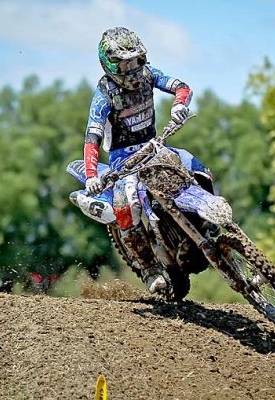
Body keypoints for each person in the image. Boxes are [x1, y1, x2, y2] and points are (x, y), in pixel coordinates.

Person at [82, 27, 193, 294]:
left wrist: (179, 104)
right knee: (126, 205)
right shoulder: (104, 95)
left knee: (192, 166)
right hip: (123, 159)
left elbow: (181, 86)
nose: (131, 68)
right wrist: (91, 175)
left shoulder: (149, 74)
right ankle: (148, 268)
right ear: (109, 65)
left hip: (154, 146)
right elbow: (92, 136)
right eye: (123, 64)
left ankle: (210, 223)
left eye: (135, 61)